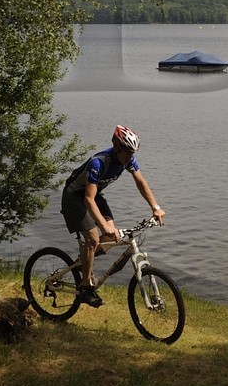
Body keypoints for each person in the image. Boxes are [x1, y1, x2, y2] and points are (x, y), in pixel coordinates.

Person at [59, 124, 164, 307]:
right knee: (93, 238)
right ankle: (85, 288)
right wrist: (103, 225)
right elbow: (88, 199)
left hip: (95, 195)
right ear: (117, 148)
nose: (130, 157)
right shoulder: (98, 163)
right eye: (127, 152)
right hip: (74, 197)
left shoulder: (127, 160)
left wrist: (155, 207)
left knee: (110, 237)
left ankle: (85, 259)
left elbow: (140, 181)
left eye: (132, 153)